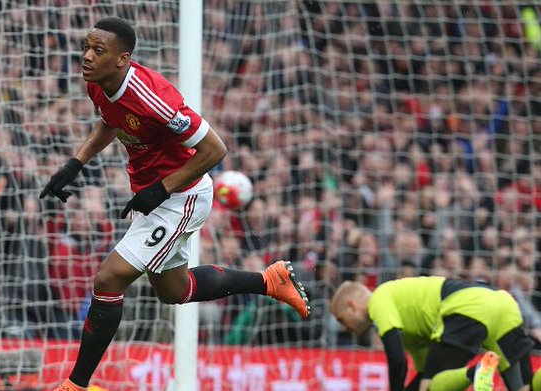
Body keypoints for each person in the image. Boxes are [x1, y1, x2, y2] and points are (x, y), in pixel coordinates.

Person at [40, 17, 310, 391]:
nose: (86, 56)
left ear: (123, 59)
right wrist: (75, 164)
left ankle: (76, 385)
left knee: (108, 279)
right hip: (159, 194)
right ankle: (270, 280)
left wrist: (160, 190)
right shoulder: (98, 83)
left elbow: (215, 150)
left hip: (183, 195)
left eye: (97, 50)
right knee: (174, 291)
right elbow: (110, 122)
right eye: (86, 47)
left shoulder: (153, 97)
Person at [330, 276, 541, 391]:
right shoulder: (410, 327)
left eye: (342, 320)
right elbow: (423, 372)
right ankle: (480, 371)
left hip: (466, 307)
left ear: (352, 306)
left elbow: (396, 358)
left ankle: (477, 371)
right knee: (526, 388)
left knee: (432, 387)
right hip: (503, 305)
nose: (346, 328)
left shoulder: (379, 299)